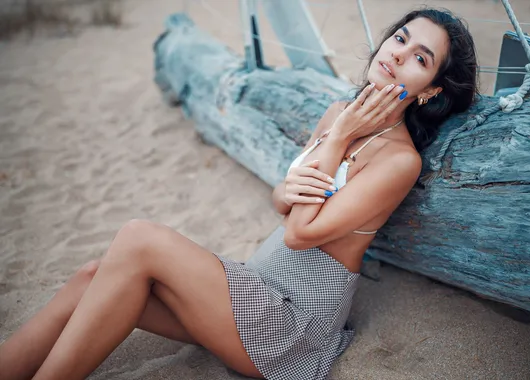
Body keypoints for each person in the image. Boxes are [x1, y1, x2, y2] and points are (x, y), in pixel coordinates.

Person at [0, 7, 478, 380]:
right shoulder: (339, 112)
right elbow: (283, 200)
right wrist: (315, 156)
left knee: (139, 237)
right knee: (91, 276)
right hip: (254, 288)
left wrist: (336, 141)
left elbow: (299, 232)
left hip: (291, 326)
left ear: (431, 91)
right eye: (400, 38)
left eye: (420, 58)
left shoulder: (398, 160)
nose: (398, 53)